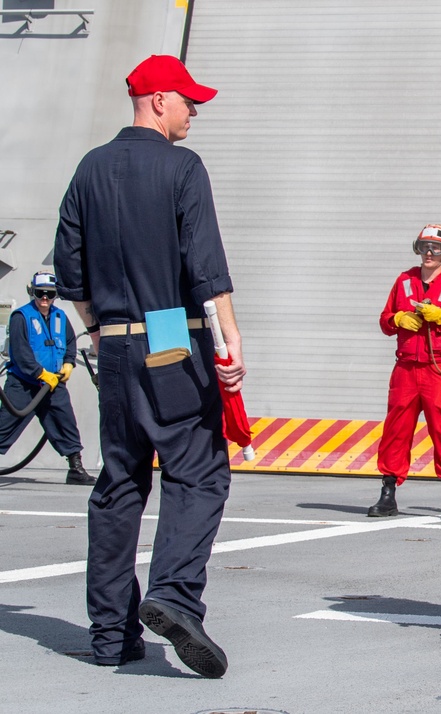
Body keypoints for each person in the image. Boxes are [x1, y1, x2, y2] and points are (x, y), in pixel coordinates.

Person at [53, 55, 244, 678]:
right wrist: (230, 342)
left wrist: (101, 331)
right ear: (158, 100)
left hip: (113, 344)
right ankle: (175, 595)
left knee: (119, 484)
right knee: (199, 473)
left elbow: (71, 273)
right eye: (189, 101)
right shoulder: (182, 168)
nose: (196, 112)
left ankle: (111, 635)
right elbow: (205, 267)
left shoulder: (88, 169)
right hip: (173, 338)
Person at [368, 224, 441, 520]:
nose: (429, 253)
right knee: (395, 430)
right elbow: (384, 320)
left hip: (438, 371)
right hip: (405, 369)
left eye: (436, 248)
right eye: (424, 246)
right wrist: (398, 319)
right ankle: (388, 493)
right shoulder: (404, 281)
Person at [0, 271, 94, 485]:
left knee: (66, 424)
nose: (44, 298)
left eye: (49, 294)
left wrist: (69, 363)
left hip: (53, 384)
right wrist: (40, 373)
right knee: (4, 426)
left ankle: (76, 468)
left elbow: (70, 342)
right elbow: (22, 353)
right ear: (32, 292)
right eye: (40, 293)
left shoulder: (60, 317)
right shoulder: (20, 317)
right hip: (24, 384)